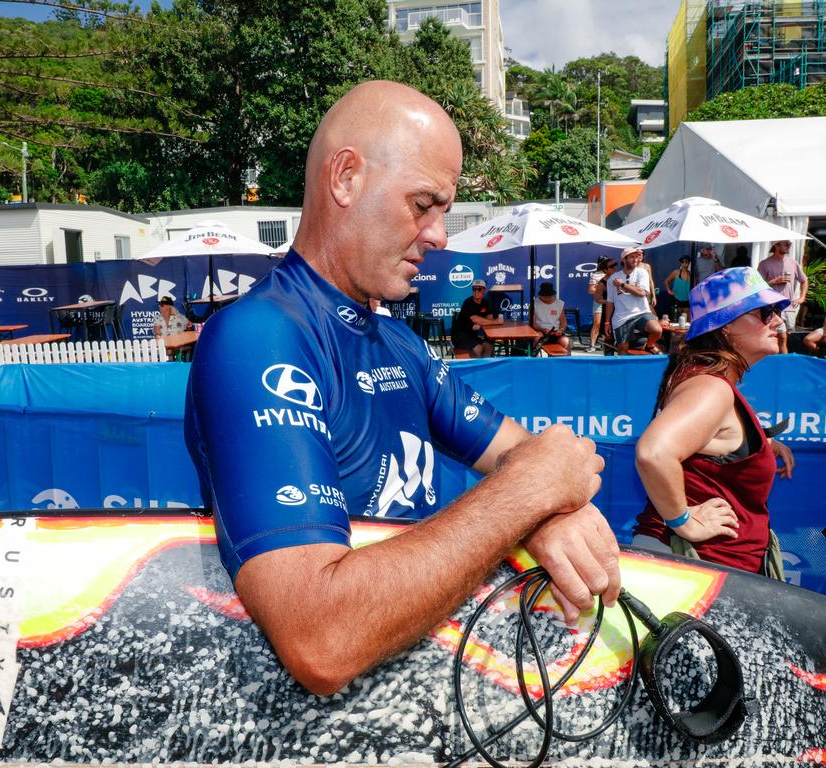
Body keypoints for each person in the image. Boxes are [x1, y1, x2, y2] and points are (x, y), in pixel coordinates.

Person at [184, 80, 619, 696]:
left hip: (411, 698)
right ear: (346, 179)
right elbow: (320, 638)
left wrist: (544, 512)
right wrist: (526, 498)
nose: (440, 236)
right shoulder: (259, 336)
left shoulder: (399, 343)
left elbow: (526, 456)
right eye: (423, 204)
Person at [632, 268, 795, 578]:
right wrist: (684, 521)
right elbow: (654, 453)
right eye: (764, 312)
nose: (777, 320)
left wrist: (762, 444)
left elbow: (709, 442)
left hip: (699, 571)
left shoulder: (705, 378)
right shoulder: (712, 387)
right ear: (726, 327)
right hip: (691, 575)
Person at [756, 240, 807, 354]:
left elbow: (804, 280)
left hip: (788, 307)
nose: (789, 246)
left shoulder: (793, 263)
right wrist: (774, 281)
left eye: (790, 244)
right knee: (777, 337)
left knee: (784, 337)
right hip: (772, 307)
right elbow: (757, 285)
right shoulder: (765, 264)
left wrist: (802, 297)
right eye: (786, 244)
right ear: (776, 245)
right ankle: (771, 363)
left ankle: (783, 364)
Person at [609, 247, 662, 354]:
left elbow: (642, 293)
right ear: (624, 259)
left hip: (641, 313)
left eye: (637, 257)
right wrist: (606, 322)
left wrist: (622, 284)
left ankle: (649, 345)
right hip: (622, 318)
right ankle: (623, 369)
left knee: (657, 330)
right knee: (623, 351)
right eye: (632, 257)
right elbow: (610, 301)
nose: (635, 259)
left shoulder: (642, 272)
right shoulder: (613, 278)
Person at [452, 278, 503, 357]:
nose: (476, 291)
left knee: (489, 346)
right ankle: (475, 367)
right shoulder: (468, 302)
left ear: (484, 290)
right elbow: (475, 319)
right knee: (478, 348)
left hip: (472, 336)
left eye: (479, 289)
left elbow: (490, 318)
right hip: (460, 335)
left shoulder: (485, 303)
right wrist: (496, 322)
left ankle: (484, 367)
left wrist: (483, 322)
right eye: (474, 289)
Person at [532, 282, 569, 353]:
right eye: (545, 296)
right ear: (540, 295)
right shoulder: (534, 304)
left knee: (566, 341)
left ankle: (568, 361)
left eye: (549, 296)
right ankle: (533, 357)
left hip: (555, 333)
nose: (547, 298)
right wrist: (542, 329)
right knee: (537, 337)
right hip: (540, 331)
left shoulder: (560, 304)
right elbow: (533, 323)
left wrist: (561, 330)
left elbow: (563, 322)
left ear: (553, 295)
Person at [587, 257, 613, 352]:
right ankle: (592, 345)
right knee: (597, 323)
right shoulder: (596, 275)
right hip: (599, 302)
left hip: (611, 303)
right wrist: (601, 290)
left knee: (609, 323)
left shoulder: (614, 275)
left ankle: (606, 345)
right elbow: (590, 290)